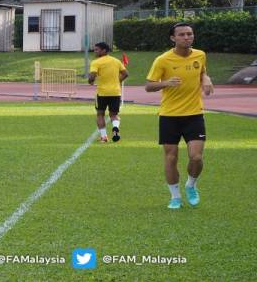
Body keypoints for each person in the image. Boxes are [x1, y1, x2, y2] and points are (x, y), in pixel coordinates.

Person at [145, 23, 214, 210]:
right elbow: (149, 86)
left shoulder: (200, 55)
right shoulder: (162, 60)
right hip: (169, 116)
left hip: (194, 115)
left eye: (190, 34)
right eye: (182, 34)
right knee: (171, 158)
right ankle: (175, 197)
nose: (187, 37)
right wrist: (166, 83)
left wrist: (206, 80)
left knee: (196, 157)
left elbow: (202, 72)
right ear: (173, 38)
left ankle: (191, 185)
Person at [88, 42, 129, 142]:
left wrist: (90, 81)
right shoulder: (116, 61)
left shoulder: (96, 62)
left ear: (104, 50)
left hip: (102, 93)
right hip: (115, 92)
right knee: (114, 115)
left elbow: (92, 76)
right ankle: (115, 128)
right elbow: (126, 74)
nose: (95, 51)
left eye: (97, 49)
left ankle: (104, 137)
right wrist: (118, 81)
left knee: (100, 114)